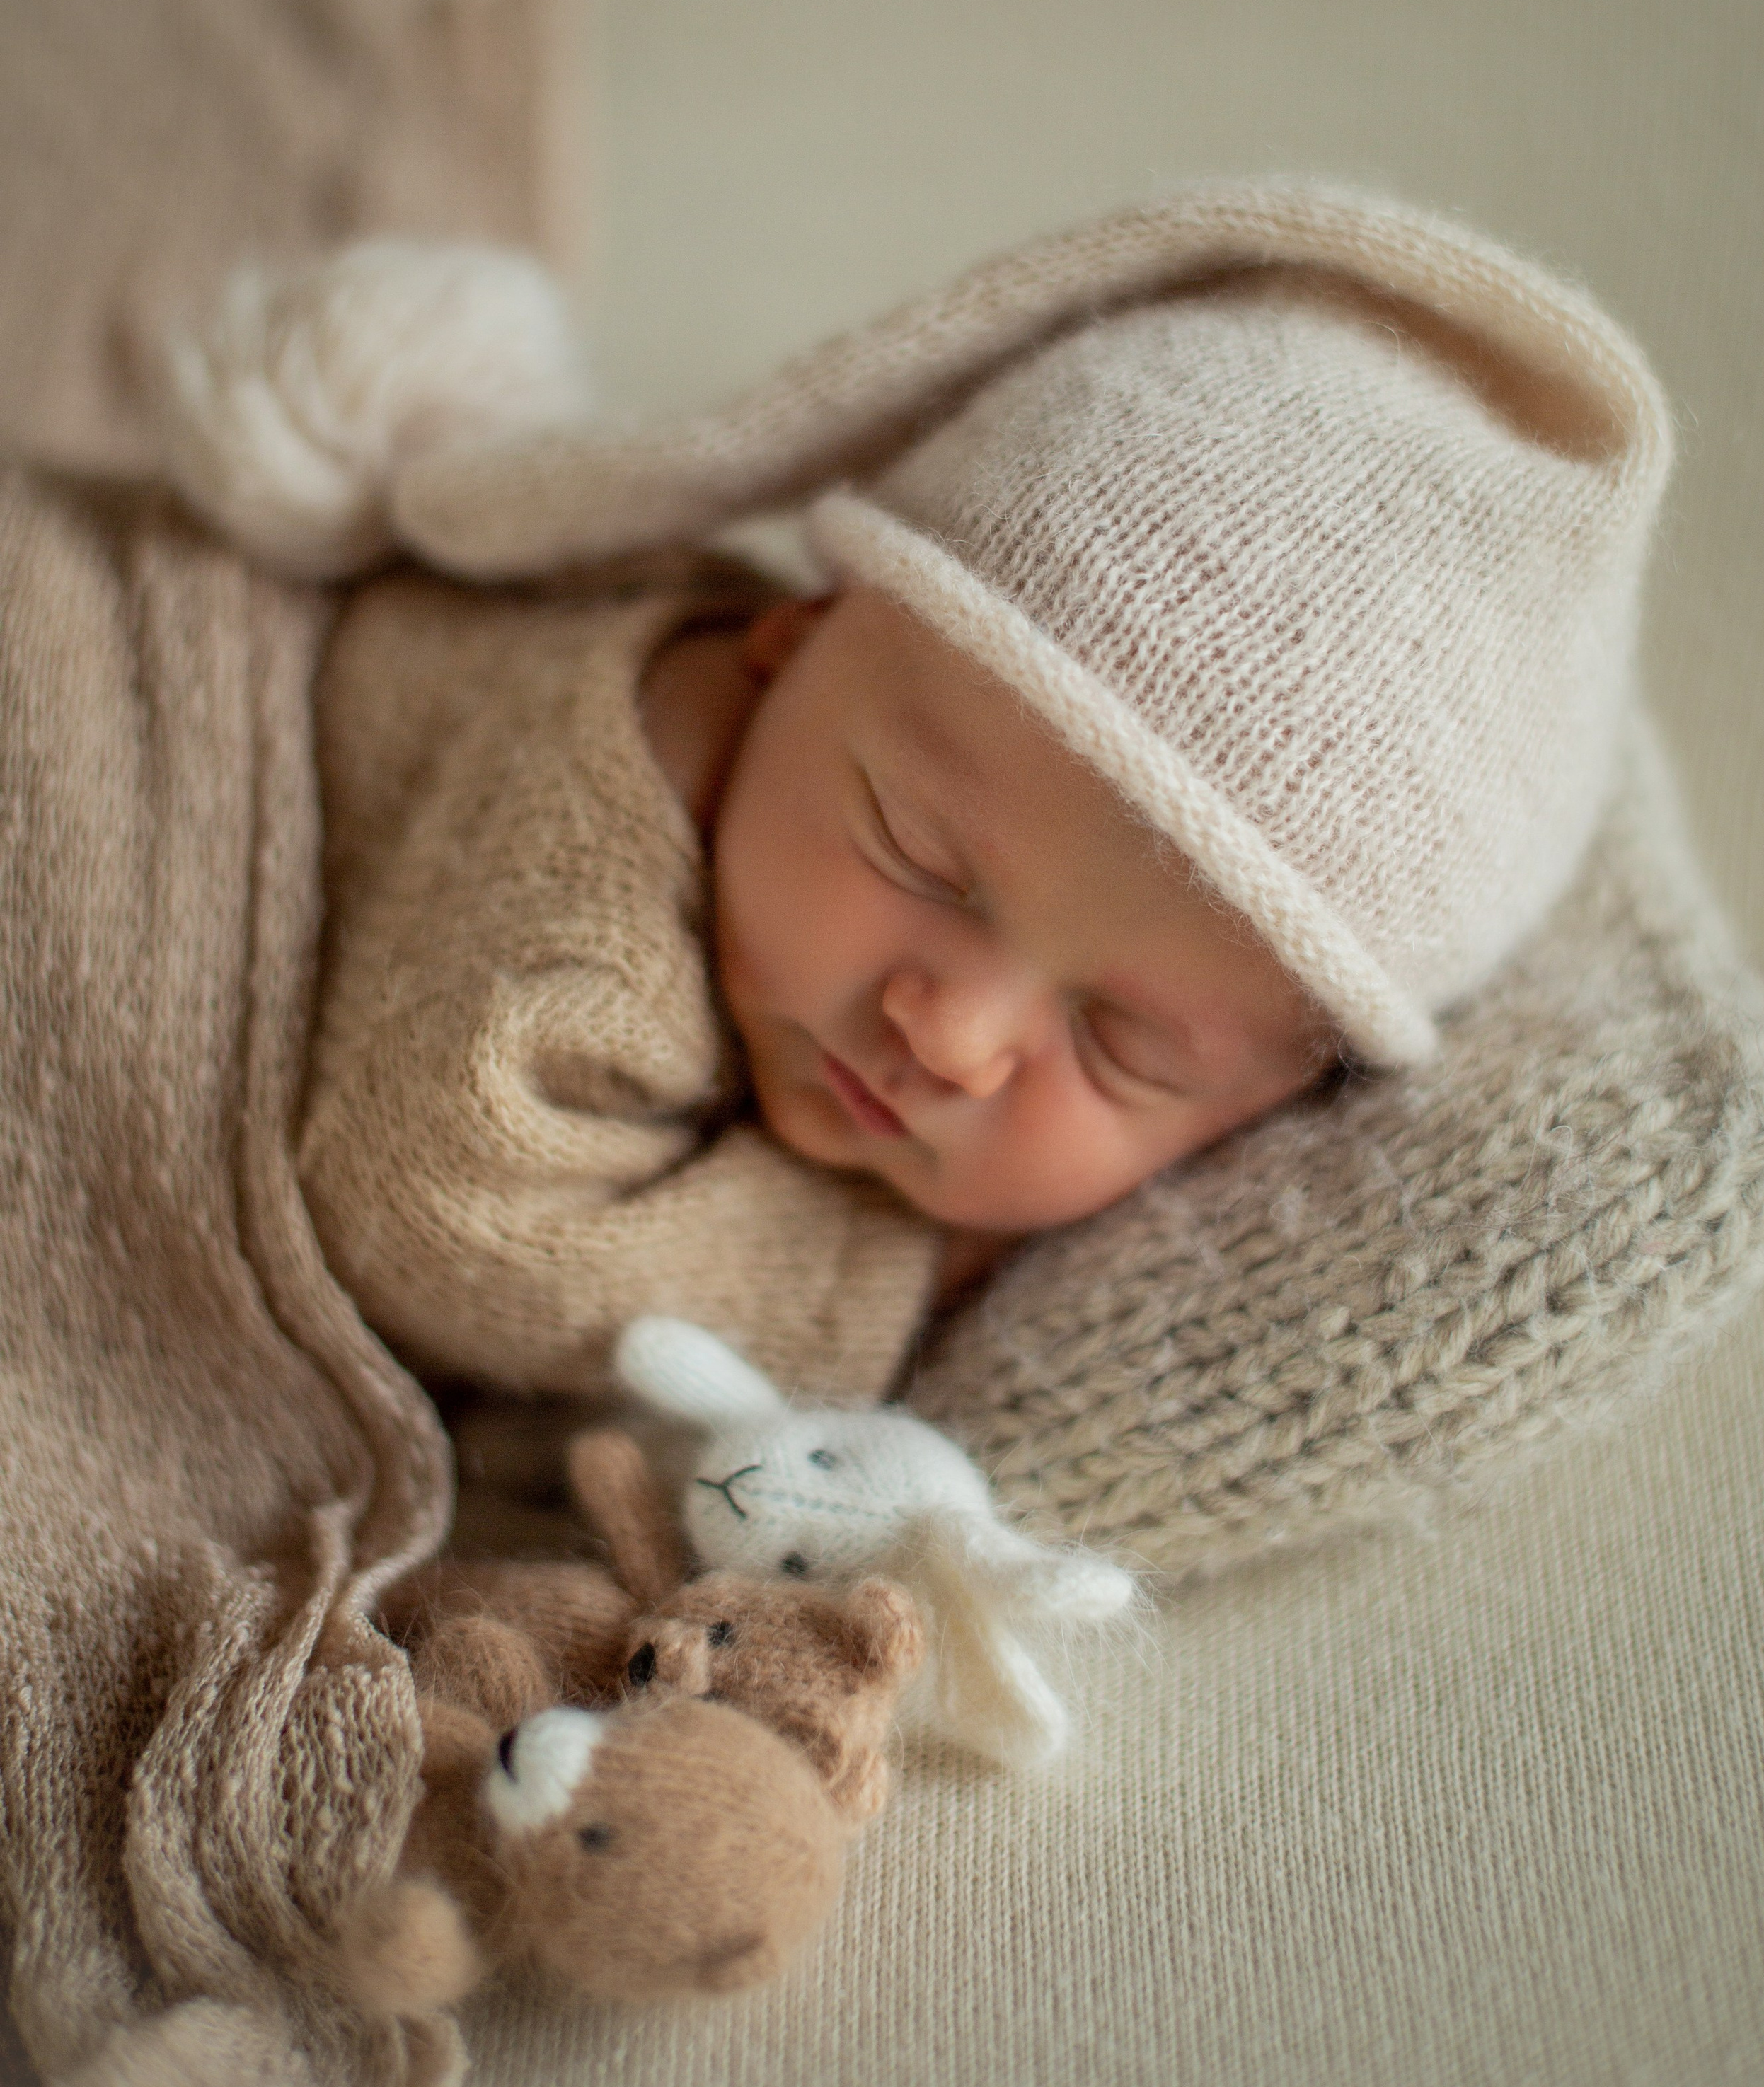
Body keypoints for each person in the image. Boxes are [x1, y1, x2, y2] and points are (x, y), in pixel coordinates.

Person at [161, 180, 1673, 1404]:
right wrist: (880, 1274)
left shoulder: (845, 773)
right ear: (792, 632)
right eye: (924, 858)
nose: (948, 1034)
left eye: (1127, 1046)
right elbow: (432, 1215)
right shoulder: (611, 852)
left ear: (1261, 1107)